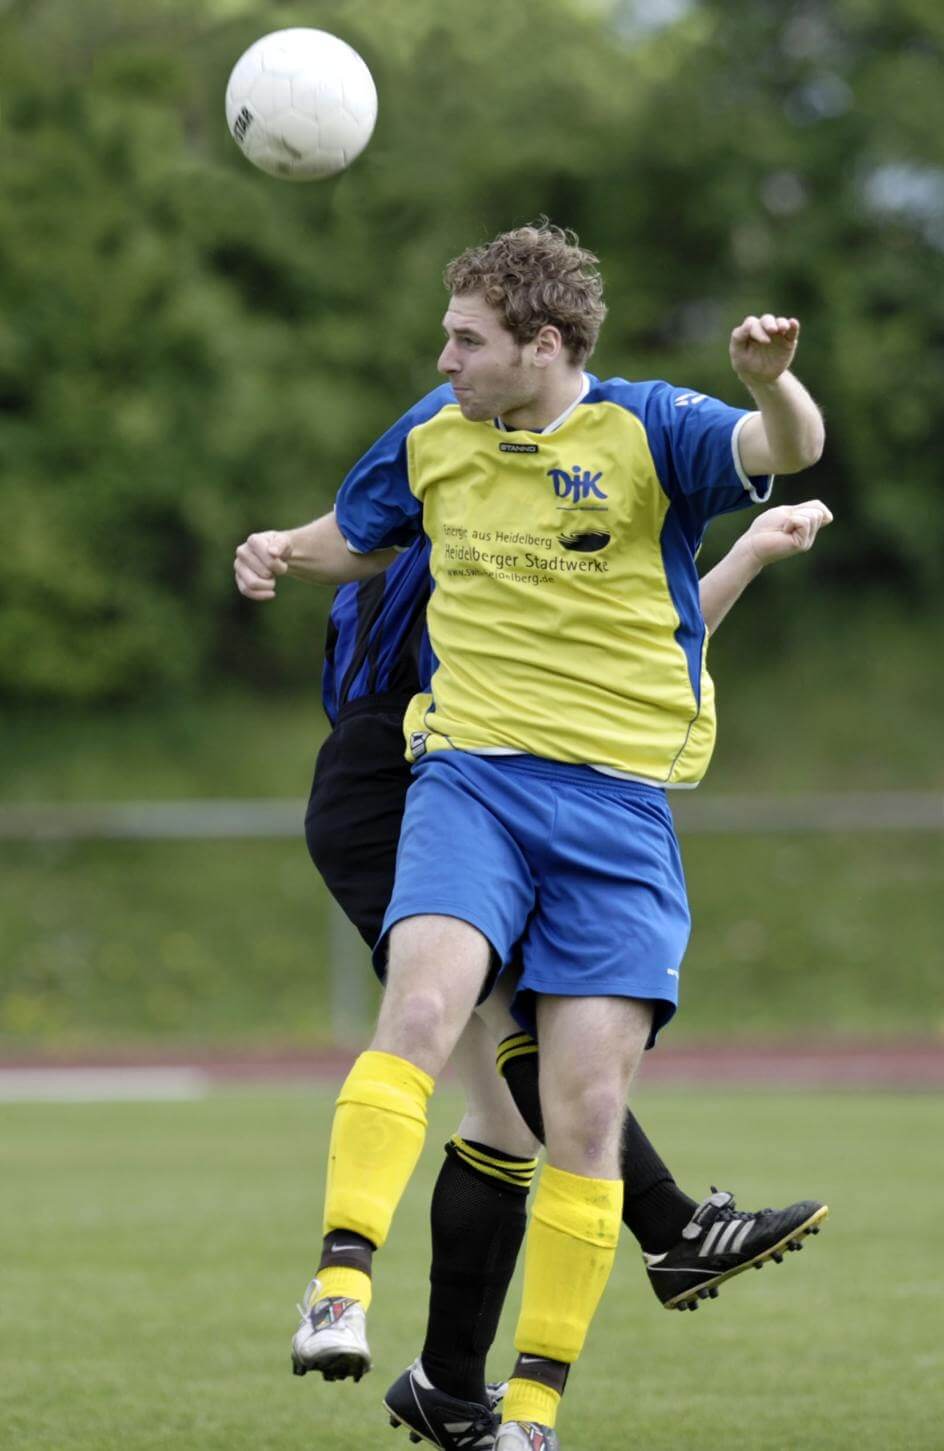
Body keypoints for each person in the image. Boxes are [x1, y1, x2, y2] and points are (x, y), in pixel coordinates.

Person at [234, 222, 827, 1450]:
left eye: (465, 337)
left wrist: (768, 384)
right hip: (464, 779)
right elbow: (357, 532)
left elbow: (787, 448)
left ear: (542, 344)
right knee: (430, 1004)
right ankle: (339, 1285)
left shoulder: (649, 428)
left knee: (571, 1112)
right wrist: (280, 550)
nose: (441, 358)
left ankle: (517, 1407)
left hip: (613, 812)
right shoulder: (435, 436)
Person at [301, 505, 830, 1451]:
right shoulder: (474, 510)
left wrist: (747, 553)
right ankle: (666, 1225)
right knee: (511, 1038)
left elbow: (628, 653)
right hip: (413, 778)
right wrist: (278, 548)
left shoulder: (521, 510)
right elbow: (614, 649)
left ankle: (449, 1385)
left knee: (506, 1115)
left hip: (486, 771)